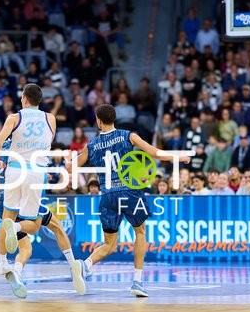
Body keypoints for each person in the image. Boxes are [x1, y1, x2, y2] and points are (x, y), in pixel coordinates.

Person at [67, 104, 189, 297]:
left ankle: (85, 264)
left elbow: (70, 169)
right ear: (114, 119)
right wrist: (179, 158)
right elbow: (155, 153)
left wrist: (68, 161)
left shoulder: (91, 145)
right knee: (140, 232)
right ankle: (138, 282)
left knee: (109, 244)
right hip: (130, 192)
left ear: (98, 121)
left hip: (107, 196)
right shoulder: (128, 136)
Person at [0, 84, 55, 299]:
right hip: (36, 171)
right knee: (34, 224)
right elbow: (47, 143)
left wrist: (0, 160)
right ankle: (17, 227)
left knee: (6, 216)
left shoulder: (13, 118)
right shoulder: (50, 119)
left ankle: (2, 262)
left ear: (25, 99)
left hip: (14, 170)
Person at [0, 139, 82, 294]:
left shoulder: (1, 149)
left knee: (26, 249)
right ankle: (73, 265)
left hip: (3, 202)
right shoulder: (23, 146)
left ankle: (16, 272)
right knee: (55, 227)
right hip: (23, 197)